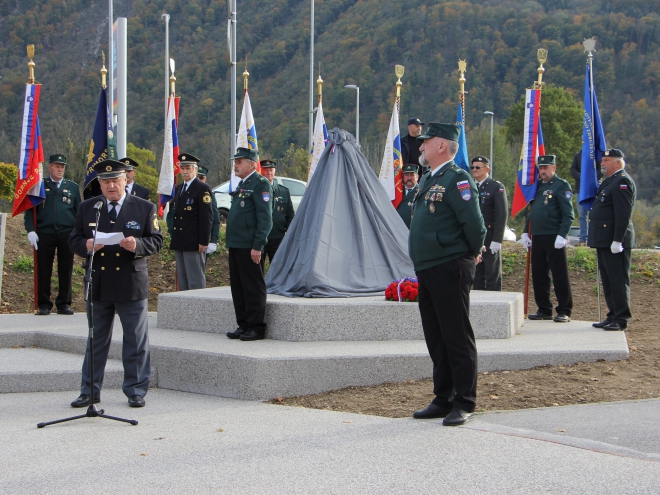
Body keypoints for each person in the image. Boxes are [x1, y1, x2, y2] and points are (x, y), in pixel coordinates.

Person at [408, 123, 486, 426]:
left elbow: (475, 225)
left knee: (456, 335)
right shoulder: (431, 178)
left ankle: (464, 400)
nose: (421, 146)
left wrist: (468, 253)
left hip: (449, 265)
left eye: (426, 142)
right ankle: (443, 397)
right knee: (436, 336)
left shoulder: (458, 179)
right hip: (428, 267)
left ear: (442, 145)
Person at [68, 159, 163, 408]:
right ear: (99, 184)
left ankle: (135, 390)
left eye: (115, 180)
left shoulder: (144, 207)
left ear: (125, 180)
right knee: (95, 339)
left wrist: (138, 245)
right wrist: (85, 245)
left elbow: (157, 241)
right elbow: (74, 238)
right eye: (105, 181)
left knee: (135, 340)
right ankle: (89, 390)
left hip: (130, 282)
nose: (111, 185)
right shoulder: (89, 208)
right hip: (98, 281)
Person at [225, 147, 273, 342]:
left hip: (249, 246)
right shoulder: (244, 184)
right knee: (238, 286)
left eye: (240, 161)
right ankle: (243, 324)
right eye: (235, 161)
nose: (235, 164)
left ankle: (255, 327)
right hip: (236, 244)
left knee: (253, 286)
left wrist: (258, 245)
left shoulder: (260, 184)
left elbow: (265, 219)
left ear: (252, 164)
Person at [24, 154, 81, 315]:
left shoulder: (72, 187)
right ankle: (44, 304)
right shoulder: (39, 185)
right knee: (43, 269)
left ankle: (64, 304)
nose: (60, 169)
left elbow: (79, 212)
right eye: (57, 166)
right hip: (45, 232)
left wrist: (78, 231)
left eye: (62, 166)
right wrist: (30, 230)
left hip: (66, 233)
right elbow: (30, 211)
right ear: (50, 167)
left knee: (66, 269)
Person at [520, 155, 574, 323]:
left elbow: (568, 215)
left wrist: (562, 235)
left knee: (559, 274)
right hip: (537, 235)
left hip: (553, 235)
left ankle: (564, 309)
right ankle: (544, 308)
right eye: (540, 168)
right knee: (539, 274)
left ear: (554, 168)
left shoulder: (561, 186)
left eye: (545, 168)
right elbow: (532, 212)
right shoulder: (536, 187)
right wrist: (524, 232)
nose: (542, 171)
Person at [587, 149, 636, 331]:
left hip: (615, 241)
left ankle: (621, 318)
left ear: (618, 163)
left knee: (618, 280)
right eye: (603, 160)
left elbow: (623, 214)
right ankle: (613, 313)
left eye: (606, 160)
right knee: (608, 280)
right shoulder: (609, 182)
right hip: (603, 239)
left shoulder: (622, 181)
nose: (602, 163)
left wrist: (618, 240)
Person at [166, 154, 214, 290]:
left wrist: (204, 240)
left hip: (194, 241)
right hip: (180, 239)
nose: (185, 172)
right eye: (182, 168)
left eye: (188, 168)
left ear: (195, 169)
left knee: (195, 280)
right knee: (183, 280)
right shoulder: (179, 188)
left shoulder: (202, 188)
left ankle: (197, 309)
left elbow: (207, 217)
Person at [470, 156, 508, 291]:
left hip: (490, 235)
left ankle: (495, 303)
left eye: (477, 167)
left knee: (492, 272)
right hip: (474, 237)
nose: (474, 170)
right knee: (476, 273)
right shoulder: (470, 186)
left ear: (487, 169)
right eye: (472, 167)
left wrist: (497, 239)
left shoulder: (496, 187)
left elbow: (501, 214)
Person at [260, 159, 294, 264]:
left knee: (277, 267)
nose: (269, 172)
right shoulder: (256, 190)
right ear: (261, 171)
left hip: (277, 237)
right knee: (257, 268)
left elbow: (290, 215)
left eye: (271, 170)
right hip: (260, 237)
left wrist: (290, 233)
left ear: (274, 171)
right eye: (266, 170)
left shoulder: (283, 191)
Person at [570, 151, 602, 244]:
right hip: (580, 188)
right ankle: (584, 238)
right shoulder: (578, 155)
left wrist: (591, 177)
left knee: (596, 214)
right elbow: (573, 170)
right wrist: (582, 177)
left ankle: (596, 237)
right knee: (582, 215)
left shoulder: (598, 154)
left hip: (595, 188)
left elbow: (602, 170)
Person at [196, 165, 219, 256]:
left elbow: (215, 218)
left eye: (201, 178)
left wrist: (213, 240)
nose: (198, 180)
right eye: (196, 177)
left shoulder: (208, 194)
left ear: (205, 180)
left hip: (203, 241)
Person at [396, 164, 419, 229]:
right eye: (406, 175)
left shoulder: (421, 192)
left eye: (412, 175)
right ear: (403, 177)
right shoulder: (397, 191)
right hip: (397, 232)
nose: (409, 178)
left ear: (417, 177)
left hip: (412, 233)